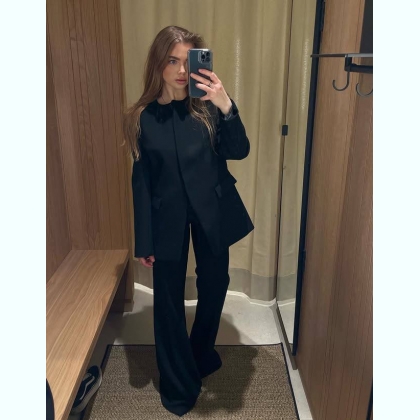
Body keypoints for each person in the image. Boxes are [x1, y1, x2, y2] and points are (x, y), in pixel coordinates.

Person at [123, 25, 254, 417]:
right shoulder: (142, 117)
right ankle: (178, 383)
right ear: (158, 63)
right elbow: (142, 181)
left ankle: (199, 355)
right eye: (172, 60)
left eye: (188, 61)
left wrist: (226, 104)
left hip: (212, 210)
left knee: (215, 285)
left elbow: (239, 151)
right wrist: (144, 240)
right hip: (166, 216)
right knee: (167, 299)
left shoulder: (209, 109)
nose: (181, 70)